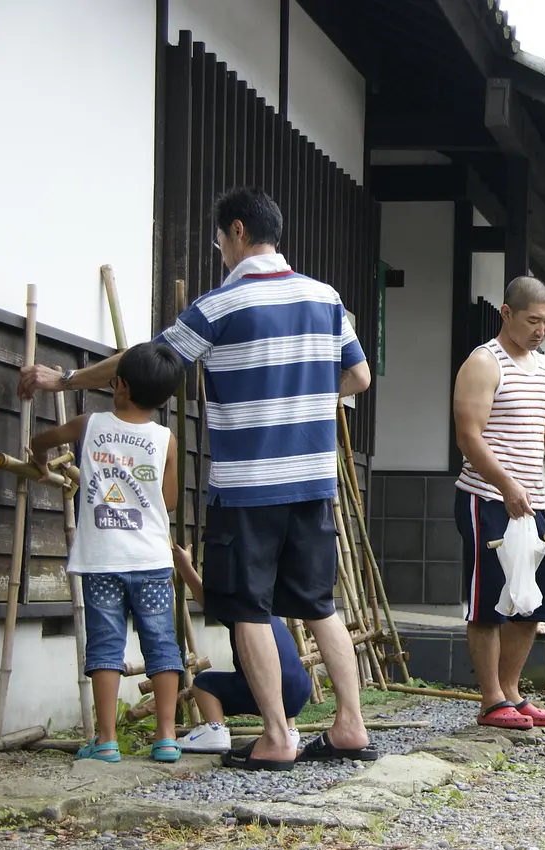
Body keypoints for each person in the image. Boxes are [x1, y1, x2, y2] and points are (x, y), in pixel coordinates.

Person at [20, 187, 375, 772]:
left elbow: (149, 361)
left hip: (248, 485)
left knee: (249, 608)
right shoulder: (326, 297)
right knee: (320, 604)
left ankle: (277, 738)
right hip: (313, 482)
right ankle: (351, 726)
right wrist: (301, 393)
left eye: (219, 241)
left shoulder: (221, 305)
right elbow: (358, 377)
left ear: (237, 231)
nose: (220, 252)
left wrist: (65, 380)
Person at [28, 342, 185, 763]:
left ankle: (107, 741)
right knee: (162, 643)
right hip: (151, 561)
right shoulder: (166, 439)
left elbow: (40, 440)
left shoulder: (89, 424)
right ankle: (167, 737)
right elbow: (167, 501)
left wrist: (41, 462)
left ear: (119, 387)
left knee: (105, 646)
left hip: (102, 561)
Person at [452, 276, 545, 731]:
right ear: (506, 313)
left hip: (536, 502)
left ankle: (511, 690)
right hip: (487, 496)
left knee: (535, 601)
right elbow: (468, 435)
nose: (541, 330)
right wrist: (506, 483)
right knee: (490, 600)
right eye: (533, 320)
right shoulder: (484, 363)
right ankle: (491, 699)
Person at [171, 545, 311, 754]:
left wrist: (185, 568)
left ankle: (215, 730)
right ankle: (288, 730)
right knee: (282, 672)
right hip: (301, 690)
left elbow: (208, 602)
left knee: (204, 683)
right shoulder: (267, 611)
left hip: (275, 689)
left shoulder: (243, 611)